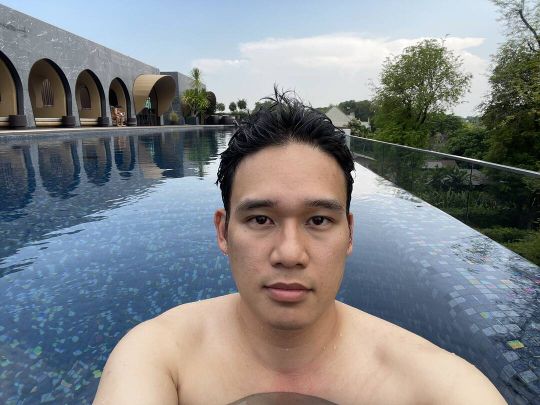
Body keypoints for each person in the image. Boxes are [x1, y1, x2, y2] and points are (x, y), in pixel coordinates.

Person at [93, 89, 507, 404]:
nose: (290, 254)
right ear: (223, 232)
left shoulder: (434, 383)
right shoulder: (159, 355)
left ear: (349, 234)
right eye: (261, 219)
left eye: (318, 220)